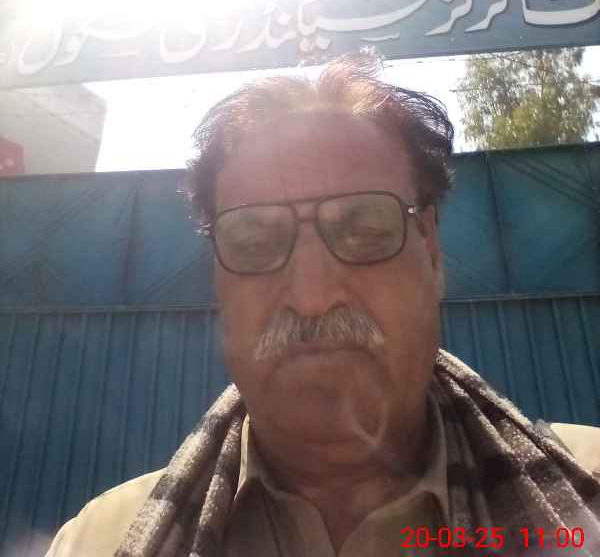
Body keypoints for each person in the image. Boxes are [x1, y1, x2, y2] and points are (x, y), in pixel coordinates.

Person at [46, 52, 600, 556]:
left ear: (431, 250)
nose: (312, 298)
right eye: (255, 241)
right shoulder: (97, 542)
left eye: (365, 229)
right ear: (218, 282)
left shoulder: (586, 494)